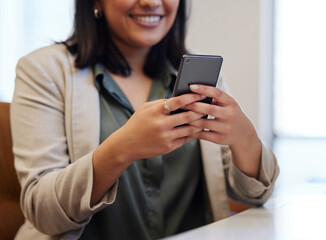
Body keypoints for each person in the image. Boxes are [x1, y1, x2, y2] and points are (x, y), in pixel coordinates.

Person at [11, 0, 279, 239]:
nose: (151, 3)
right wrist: (122, 149)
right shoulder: (43, 71)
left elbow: (256, 195)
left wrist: (245, 139)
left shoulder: (200, 76)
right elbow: (43, 212)